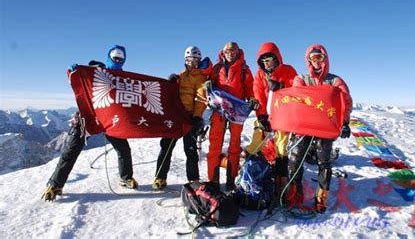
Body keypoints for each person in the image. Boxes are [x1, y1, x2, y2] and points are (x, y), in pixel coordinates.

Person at [41, 45, 138, 202]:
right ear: (109, 58)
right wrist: (73, 71)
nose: (118, 61)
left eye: (121, 59)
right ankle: (55, 184)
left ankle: (125, 178)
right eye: (115, 58)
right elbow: (79, 76)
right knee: (71, 150)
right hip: (88, 117)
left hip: (110, 120)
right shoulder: (96, 71)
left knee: (123, 149)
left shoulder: (125, 79)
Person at [287, 44, 352, 213]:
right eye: (313, 58)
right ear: (308, 60)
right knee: (295, 160)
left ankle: (321, 198)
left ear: (325, 59)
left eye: (320, 57)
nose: (317, 61)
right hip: (304, 127)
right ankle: (295, 195)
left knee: (324, 163)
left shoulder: (335, 81)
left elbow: (346, 101)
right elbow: (296, 98)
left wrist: (344, 122)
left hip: (325, 128)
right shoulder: (300, 79)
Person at [152, 46, 212, 190]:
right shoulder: (180, 76)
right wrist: (170, 83)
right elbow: (170, 95)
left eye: (196, 60)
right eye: (191, 59)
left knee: (190, 150)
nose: (194, 62)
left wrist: (197, 117)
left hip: (190, 118)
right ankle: (160, 177)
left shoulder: (201, 78)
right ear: (186, 60)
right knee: (166, 147)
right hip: (175, 116)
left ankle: (193, 180)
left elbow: (200, 98)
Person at [244, 42, 297, 194]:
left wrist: (281, 87)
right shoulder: (260, 75)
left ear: (276, 59)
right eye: (264, 60)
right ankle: (246, 169)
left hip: (283, 115)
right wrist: (261, 117)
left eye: (270, 59)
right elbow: (258, 94)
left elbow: (296, 87)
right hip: (266, 114)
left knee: (281, 147)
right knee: (256, 141)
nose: (267, 63)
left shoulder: (288, 70)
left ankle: (281, 181)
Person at [207, 42, 256, 191]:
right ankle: (213, 180)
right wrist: (207, 85)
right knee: (215, 145)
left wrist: (252, 99)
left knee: (234, 146)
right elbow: (209, 85)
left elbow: (250, 89)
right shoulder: (216, 69)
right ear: (223, 52)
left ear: (237, 52)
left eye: (233, 51)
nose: (230, 53)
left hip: (237, 112)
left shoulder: (244, 70)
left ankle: (231, 179)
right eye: (227, 51)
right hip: (219, 111)